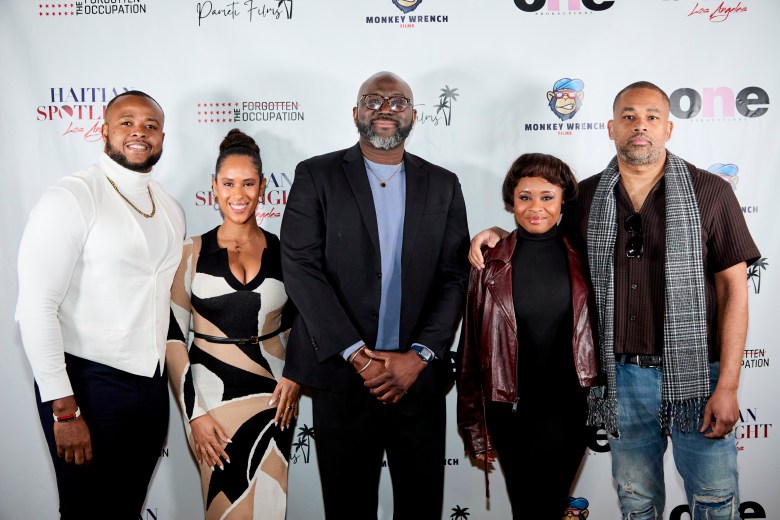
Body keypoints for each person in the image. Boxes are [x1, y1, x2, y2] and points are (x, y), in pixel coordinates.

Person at [468, 81, 760, 520]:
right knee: (636, 501)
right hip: (622, 380)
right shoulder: (584, 198)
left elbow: (734, 290)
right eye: (628, 117)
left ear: (668, 129)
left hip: (699, 376)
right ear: (610, 127)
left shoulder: (711, 193)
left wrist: (729, 385)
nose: (639, 126)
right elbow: (538, 235)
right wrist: (497, 235)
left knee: (715, 498)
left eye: (651, 117)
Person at [279, 71, 470, 519]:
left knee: (421, 508)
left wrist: (419, 356)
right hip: (343, 380)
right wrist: (358, 356)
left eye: (398, 101)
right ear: (355, 113)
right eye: (374, 100)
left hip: (416, 380)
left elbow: (454, 277)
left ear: (414, 116)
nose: (386, 109)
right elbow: (301, 268)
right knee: (348, 509)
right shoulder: (317, 174)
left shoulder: (443, 184)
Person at [15, 90, 185, 519]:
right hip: (85, 386)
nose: (139, 132)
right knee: (85, 511)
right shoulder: (71, 197)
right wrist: (63, 407)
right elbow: (35, 308)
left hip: (150, 386)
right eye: (127, 122)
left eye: (150, 125)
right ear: (104, 130)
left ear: (162, 137)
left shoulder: (169, 207)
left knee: (125, 509)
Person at [166, 128, 300, 519]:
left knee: (270, 506)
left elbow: (301, 324)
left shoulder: (285, 252)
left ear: (262, 188)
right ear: (214, 187)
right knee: (225, 508)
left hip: (275, 400)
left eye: (248, 184)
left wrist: (295, 376)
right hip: (211, 402)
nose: (237, 194)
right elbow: (174, 337)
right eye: (228, 184)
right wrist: (194, 412)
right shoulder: (190, 252)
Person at [456, 153, 598, 518]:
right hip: (509, 409)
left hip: (571, 408)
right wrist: (474, 424)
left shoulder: (585, 255)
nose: (536, 207)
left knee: (551, 504)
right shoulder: (488, 263)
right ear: (511, 202)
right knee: (525, 506)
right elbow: (470, 347)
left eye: (547, 197)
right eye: (525, 197)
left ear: (563, 199)